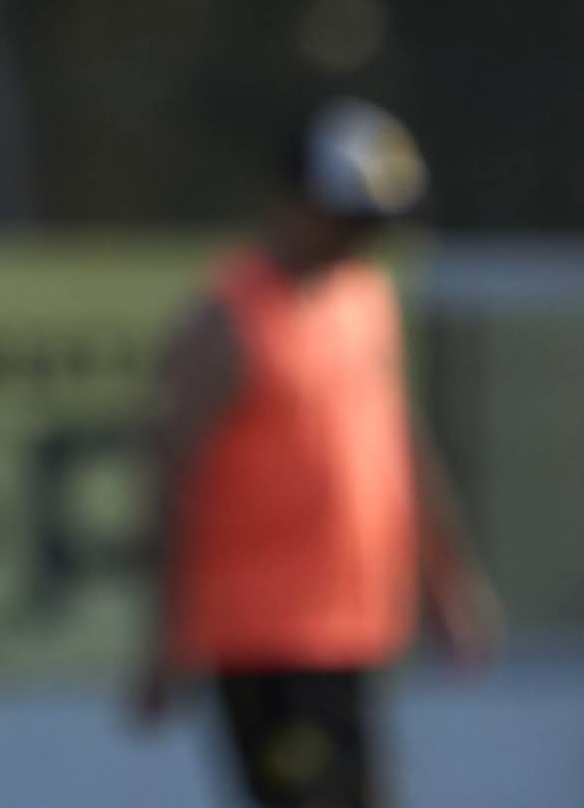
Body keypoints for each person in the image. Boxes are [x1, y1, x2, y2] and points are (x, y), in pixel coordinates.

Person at [131, 100, 504, 808]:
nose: (358, 242)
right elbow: (171, 469)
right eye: (347, 220)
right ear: (294, 201)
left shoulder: (362, 296)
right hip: (264, 639)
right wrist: (164, 634)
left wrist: (445, 577)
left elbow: (395, 443)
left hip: (353, 627)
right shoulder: (228, 317)